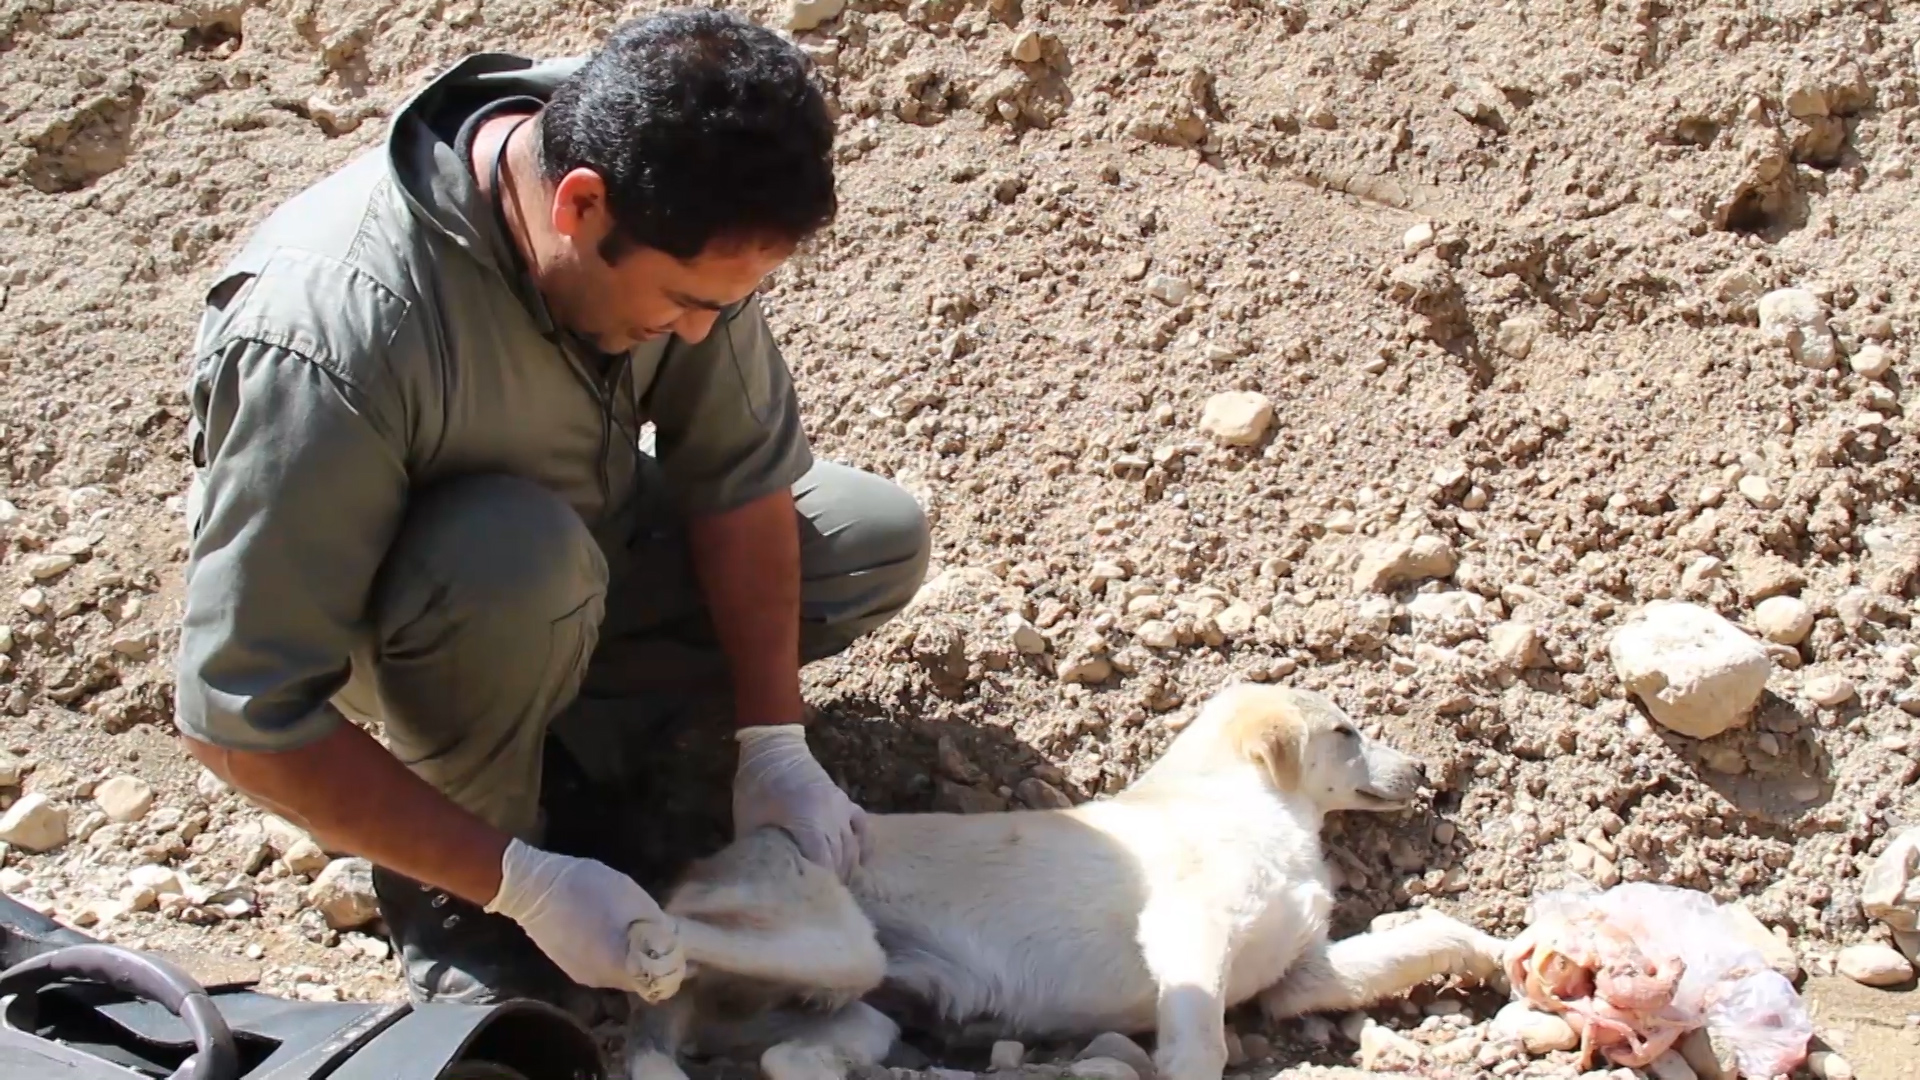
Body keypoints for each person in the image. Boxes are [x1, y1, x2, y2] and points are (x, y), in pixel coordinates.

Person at [170, 8, 930, 1009]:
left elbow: (739, 476)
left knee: (865, 541)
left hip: (572, 559)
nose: (702, 334)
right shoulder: (335, 327)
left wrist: (773, 742)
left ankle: (578, 757)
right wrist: (521, 885)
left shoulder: (670, 170)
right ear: (579, 205)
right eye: (686, 302)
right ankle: (457, 886)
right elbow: (240, 714)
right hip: (419, 618)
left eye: (726, 304)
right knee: (516, 564)